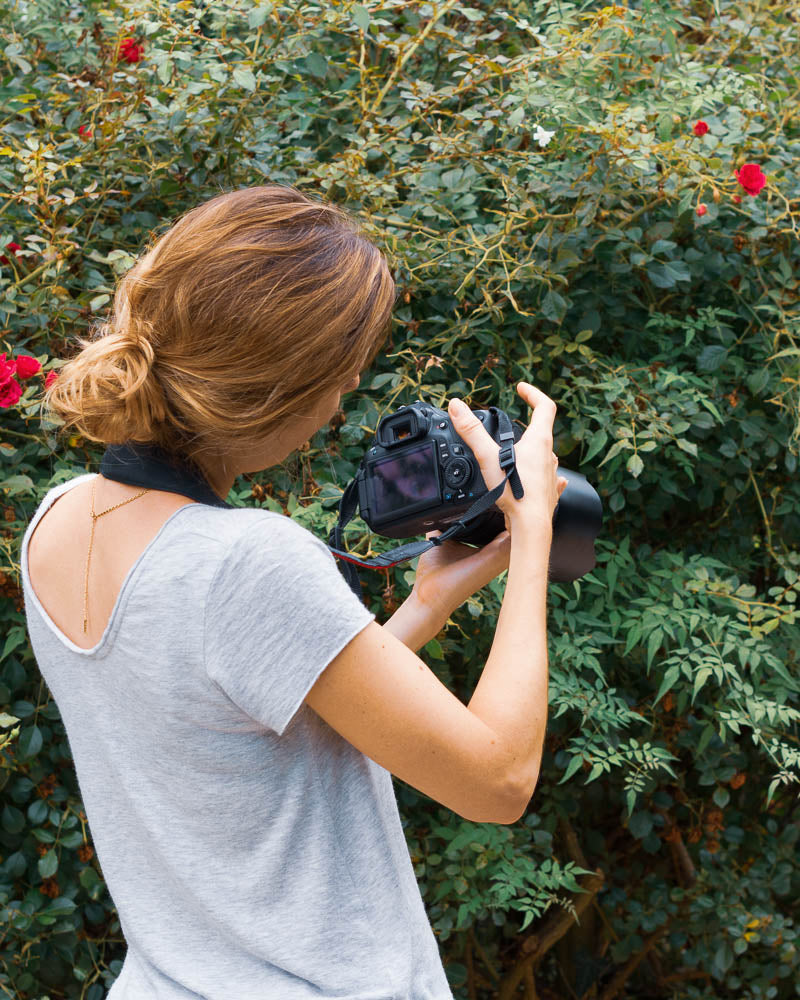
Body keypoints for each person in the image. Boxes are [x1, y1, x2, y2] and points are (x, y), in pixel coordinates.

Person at [22, 184, 567, 1000]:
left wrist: (425, 605)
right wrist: (532, 539)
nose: (344, 395)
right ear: (277, 387)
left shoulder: (55, 523)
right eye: (341, 375)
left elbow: (234, 722)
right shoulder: (246, 560)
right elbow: (496, 784)